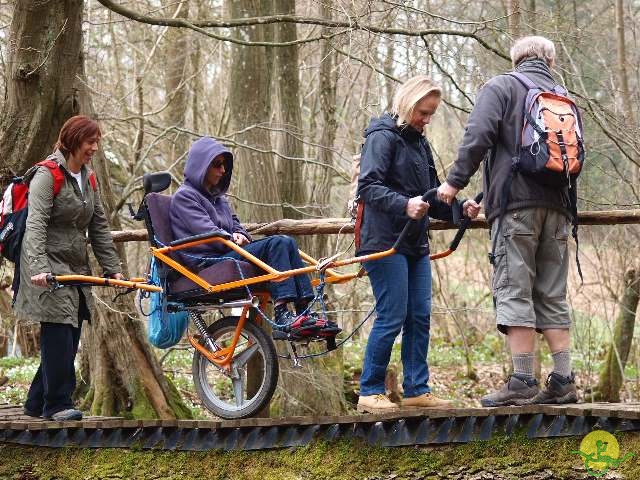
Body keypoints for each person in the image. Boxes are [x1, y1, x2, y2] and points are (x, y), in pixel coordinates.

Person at [436, 36, 579, 406]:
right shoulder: (564, 97)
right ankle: (563, 379)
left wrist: (454, 183)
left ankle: (522, 379)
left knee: (514, 288)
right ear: (549, 60)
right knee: (551, 292)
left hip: (516, 210)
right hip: (560, 208)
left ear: (516, 59)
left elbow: (478, 136)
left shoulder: (502, 86)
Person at [355, 75, 481, 413]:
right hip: (383, 242)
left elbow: (435, 193)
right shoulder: (381, 137)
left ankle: (416, 389)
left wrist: (460, 206)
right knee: (392, 315)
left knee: (420, 316)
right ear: (408, 105)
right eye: (423, 113)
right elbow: (367, 186)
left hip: (414, 244)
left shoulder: (420, 143)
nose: (426, 120)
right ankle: (369, 389)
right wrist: (404, 204)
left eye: (431, 114)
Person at [169, 137, 339, 338]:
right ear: (201, 166)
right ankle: (282, 312)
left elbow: (236, 224)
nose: (222, 170)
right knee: (278, 243)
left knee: (288, 242)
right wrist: (231, 238)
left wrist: (239, 234)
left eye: (224, 165)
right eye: (217, 164)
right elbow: (206, 231)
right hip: (207, 260)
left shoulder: (219, 199)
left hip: (228, 250)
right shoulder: (185, 197)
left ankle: (304, 311)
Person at [15, 115, 123, 421]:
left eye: (97, 142)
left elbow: (99, 226)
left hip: (74, 263)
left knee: (70, 332)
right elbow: (35, 225)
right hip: (45, 262)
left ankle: (36, 403)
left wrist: (112, 268)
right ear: (74, 140)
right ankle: (57, 404)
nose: (95, 148)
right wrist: (38, 267)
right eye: (91, 142)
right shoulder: (47, 175)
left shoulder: (88, 178)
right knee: (59, 330)